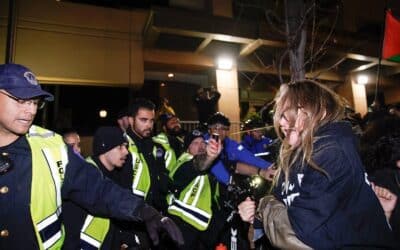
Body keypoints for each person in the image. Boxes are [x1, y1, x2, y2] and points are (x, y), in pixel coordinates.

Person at [0, 63, 183, 249]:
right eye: (21, 100)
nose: (31, 111)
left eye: (35, 102)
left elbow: (97, 189)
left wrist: (144, 212)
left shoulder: (52, 147)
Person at [238, 79, 397, 249]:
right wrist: (254, 215)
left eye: (287, 114)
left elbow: (301, 233)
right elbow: (284, 208)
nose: (281, 122)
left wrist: (265, 207)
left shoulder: (332, 152)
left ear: (317, 112)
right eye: (280, 115)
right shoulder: (295, 156)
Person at [63, 126, 133, 249]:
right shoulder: (86, 177)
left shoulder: (116, 174)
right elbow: (72, 229)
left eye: (126, 146)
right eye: (120, 147)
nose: (126, 151)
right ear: (104, 147)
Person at [167, 129, 223, 249]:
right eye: (195, 143)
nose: (201, 146)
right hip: (181, 226)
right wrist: (209, 156)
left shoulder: (210, 169)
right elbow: (197, 165)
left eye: (203, 143)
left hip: (200, 228)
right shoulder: (183, 162)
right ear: (187, 148)